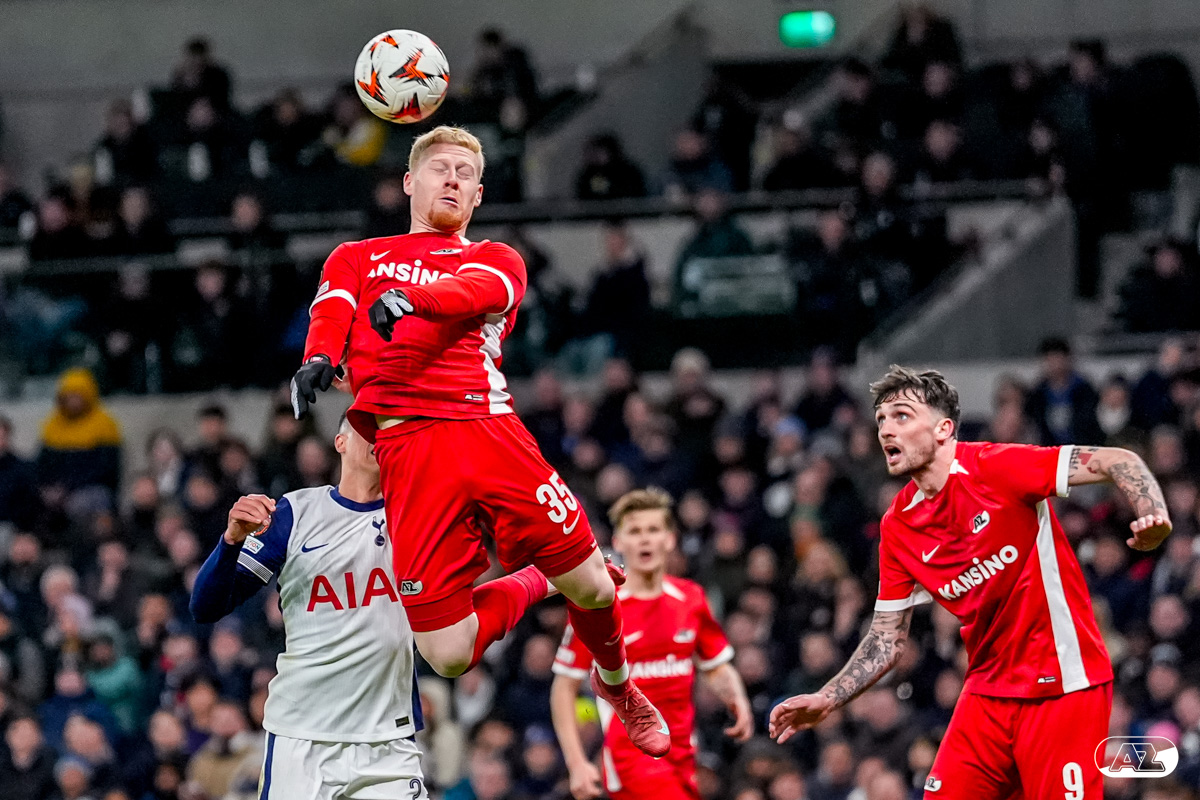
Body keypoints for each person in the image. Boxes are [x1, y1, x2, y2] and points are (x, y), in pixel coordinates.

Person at [290, 125, 670, 758]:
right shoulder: (356, 256)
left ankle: (618, 685)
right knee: (447, 654)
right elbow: (331, 310)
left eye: (465, 174)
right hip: (408, 454)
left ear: (478, 195)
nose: (452, 179)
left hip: (486, 432)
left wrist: (416, 299)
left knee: (597, 590)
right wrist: (318, 358)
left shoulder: (494, 256)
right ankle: (538, 581)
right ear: (409, 182)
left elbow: (476, 294)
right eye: (440, 168)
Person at [769, 366, 1173, 799]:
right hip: (987, 693)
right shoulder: (898, 526)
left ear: (943, 429)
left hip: (1063, 685)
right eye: (881, 418)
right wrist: (828, 698)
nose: (886, 428)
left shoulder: (998, 466)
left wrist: (1152, 514)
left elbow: (1119, 460)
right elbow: (887, 640)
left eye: (902, 416)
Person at [190, 417, 429, 798]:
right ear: (340, 442)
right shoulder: (295, 513)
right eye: (367, 427)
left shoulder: (419, 516)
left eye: (388, 429)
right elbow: (205, 607)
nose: (379, 437)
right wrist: (231, 541)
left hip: (388, 737)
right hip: (301, 735)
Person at [551, 488, 753, 800]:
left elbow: (716, 667)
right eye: (635, 531)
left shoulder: (691, 599)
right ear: (618, 542)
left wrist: (737, 697)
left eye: (653, 530)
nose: (645, 539)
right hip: (630, 759)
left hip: (683, 756)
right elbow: (564, 686)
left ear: (670, 539)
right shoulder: (598, 606)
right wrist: (576, 763)